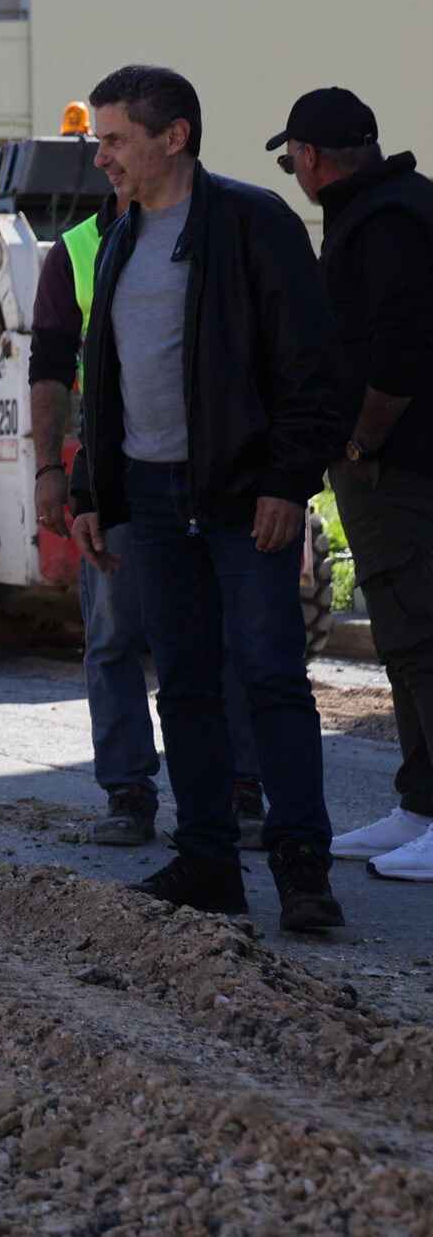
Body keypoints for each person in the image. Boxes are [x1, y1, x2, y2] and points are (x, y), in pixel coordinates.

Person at [68, 65, 345, 933]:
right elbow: (103, 379)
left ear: (174, 135)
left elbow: (311, 368)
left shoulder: (255, 221)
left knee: (269, 675)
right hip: (153, 498)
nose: (102, 156)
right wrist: (90, 488)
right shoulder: (116, 238)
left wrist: (287, 482)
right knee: (183, 681)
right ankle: (209, 860)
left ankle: (300, 863)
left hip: (242, 493)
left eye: (115, 138)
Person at [33, 195, 267, 848]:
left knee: (224, 635)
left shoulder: (221, 228)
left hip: (216, 468)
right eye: (102, 147)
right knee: (113, 633)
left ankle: (239, 786)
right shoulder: (76, 251)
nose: (108, 159)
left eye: (117, 146)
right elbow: (49, 366)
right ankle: (128, 790)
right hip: (117, 472)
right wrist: (49, 467)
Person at [274, 89, 433, 881]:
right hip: (392, 463)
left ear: (311, 157)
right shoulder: (389, 206)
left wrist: (364, 441)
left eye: (290, 159)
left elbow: (401, 350)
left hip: (401, 466)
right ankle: (420, 804)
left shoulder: (385, 220)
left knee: (421, 630)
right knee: (403, 636)